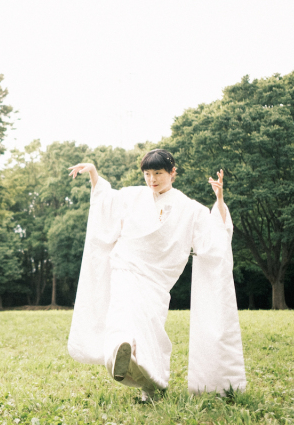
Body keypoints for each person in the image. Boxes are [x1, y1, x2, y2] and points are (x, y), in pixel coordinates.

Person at [67, 149, 245, 401]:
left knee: (150, 327)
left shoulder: (189, 209)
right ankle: (120, 352)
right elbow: (106, 202)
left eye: (158, 173)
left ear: (173, 173)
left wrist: (219, 200)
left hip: (157, 280)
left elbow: (214, 237)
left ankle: (152, 384)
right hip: (126, 267)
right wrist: (94, 173)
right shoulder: (132, 196)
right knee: (122, 314)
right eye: (147, 174)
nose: (151, 179)